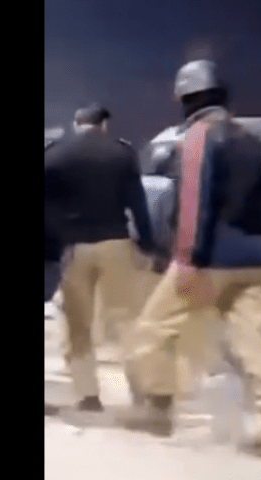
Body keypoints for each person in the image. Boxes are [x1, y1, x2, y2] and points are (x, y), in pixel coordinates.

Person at [120, 60, 261, 461]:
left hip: (210, 258)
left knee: (153, 330)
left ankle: (157, 409)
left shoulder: (201, 136)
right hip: (253, 259)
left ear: (188, 97)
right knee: (256, 345)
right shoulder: (253, 140)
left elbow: (194, 201)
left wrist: (187, 259)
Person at [44, 104, 156, 412]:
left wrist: (53, 244)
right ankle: (141, 391)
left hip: (74, 247)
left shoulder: (57, 153)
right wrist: (147, 242)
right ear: (104, 124)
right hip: (116, 243)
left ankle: (88, 395)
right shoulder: (121, 153)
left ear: (76, 123)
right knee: (126, 320)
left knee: (78, 324)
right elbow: (138, 202)